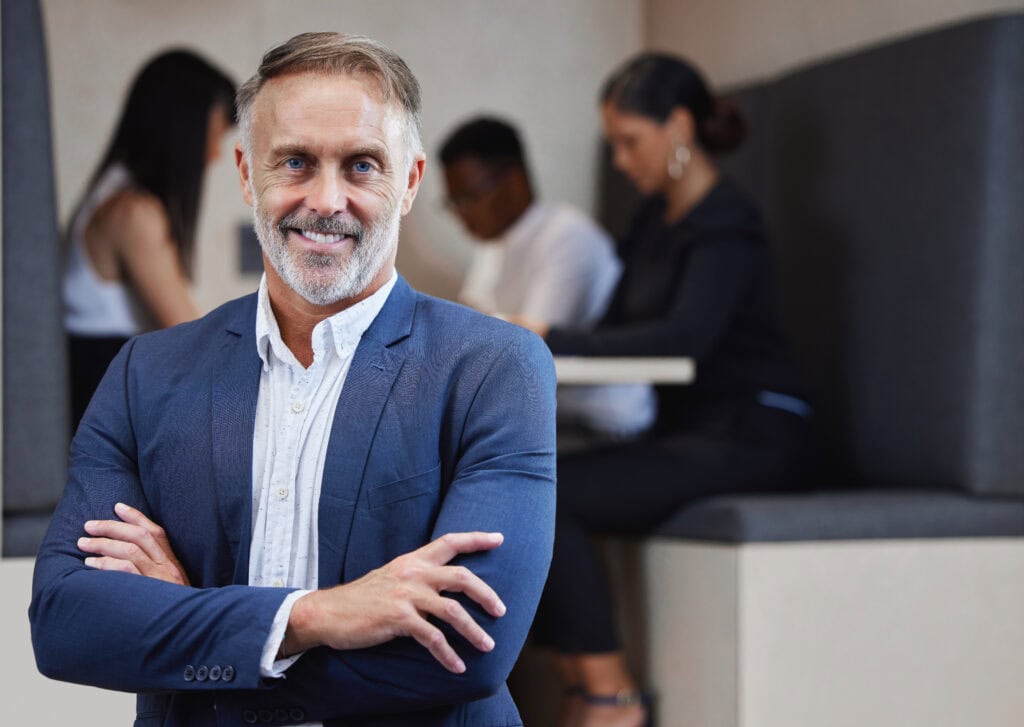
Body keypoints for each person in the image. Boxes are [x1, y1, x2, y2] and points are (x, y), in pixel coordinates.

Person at [31, 32, 556, 727]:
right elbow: (68, 622)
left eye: (362, 164)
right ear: (249, 174)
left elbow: (466, 648)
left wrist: (194, 630)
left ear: (409, 181)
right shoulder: (144, 374)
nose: (326, 199)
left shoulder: (496, 367)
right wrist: (316, 614)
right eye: (297, 162)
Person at [513, 54, 816, 727]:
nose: (620, 160)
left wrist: (546, 336)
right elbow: (622, 328)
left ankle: (610, 697)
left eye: (630, 141)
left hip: (756, 431)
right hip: (689, 432)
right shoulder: (654, 222)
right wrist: (537, 334)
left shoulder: (726, 223)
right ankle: (577, 685)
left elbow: (681, 338)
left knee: (549, 491)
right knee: (518, 477)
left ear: (678, 126)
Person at [439, 116, 654, 438]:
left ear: (513, 180)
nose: (461, 215)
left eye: (469, 196)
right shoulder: (494, 243)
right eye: (453, 202)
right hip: (543, 415)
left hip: (604, 420)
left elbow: (525, 353)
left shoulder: (567, 237)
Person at [63, 50, 236, 428]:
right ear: (184, 130)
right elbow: (190, 337)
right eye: (214, 136)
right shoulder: (133, 212)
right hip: (108, 413)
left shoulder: (107, 197)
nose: (215, 155)